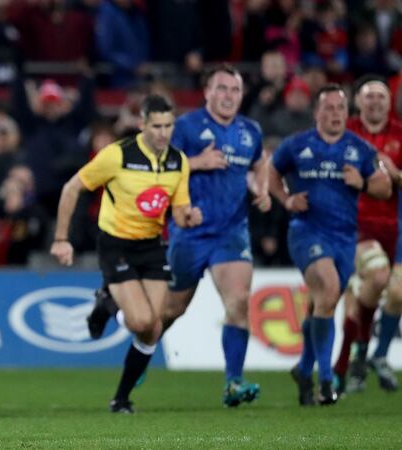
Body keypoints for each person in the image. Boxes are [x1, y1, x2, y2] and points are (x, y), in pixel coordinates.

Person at [88, 65, 272, 407]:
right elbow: (155, 161)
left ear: (242, 95)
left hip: (232, 232)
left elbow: (261, 162)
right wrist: (197, 162)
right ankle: (138, 349)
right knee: (169, 311)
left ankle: (233, 382)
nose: (228, 96)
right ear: (207, 92)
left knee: (238, 301)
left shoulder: (250, 130)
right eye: (222, 88)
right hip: (188, 233)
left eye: (234, 90)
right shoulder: (185, 127)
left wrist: (261, 187)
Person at [51, 94, 202, 413]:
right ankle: (107, 302)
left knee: (154, 327)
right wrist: (62, 238)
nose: (163, 133)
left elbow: (180, 207)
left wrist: (189, 216)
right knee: (140, 321)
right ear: (142, 124)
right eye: (157, 126)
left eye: (169, 126)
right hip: (115, 244)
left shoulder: (179, 161)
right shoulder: (117, 155)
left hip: (150, 245)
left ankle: (121, 398)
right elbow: (72, 188)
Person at [269, 84, 392, 406]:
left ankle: (305, 368)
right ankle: (325, 380)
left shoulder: (359, 149)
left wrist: (363, 183)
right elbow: (270, 171)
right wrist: (285, 198)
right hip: (306, 232)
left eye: (340, 108)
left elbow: (385, 186)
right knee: (330, 285)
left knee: (322, 303)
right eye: (329, 108)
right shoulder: (297, 145)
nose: (335, 114)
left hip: (344, 238)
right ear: (316, 113)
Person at [333, 77, 402, 393]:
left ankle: (374, 354)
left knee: (397, 294)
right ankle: (354, 354)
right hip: (354, 225)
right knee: (377, 277)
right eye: (369, 96)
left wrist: (395, 173)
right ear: (358, 102)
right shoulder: (343, 134)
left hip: (394, 228)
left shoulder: (400, 135)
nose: (375, 101)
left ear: (390, 103)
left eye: (381, 96)